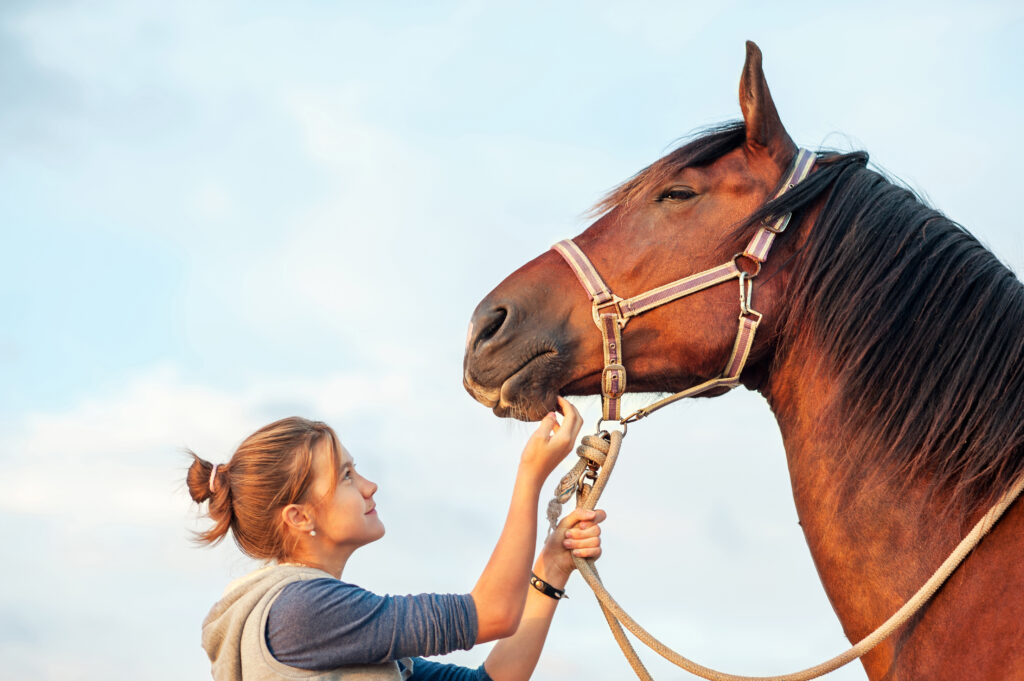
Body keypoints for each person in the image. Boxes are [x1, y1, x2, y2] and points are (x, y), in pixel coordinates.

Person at [186, 396, 604, 681]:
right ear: (299, 516)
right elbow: (492, 613)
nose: (369, 486)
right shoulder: (303, 612)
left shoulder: (319, 618)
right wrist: (530, 476)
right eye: (346, 476)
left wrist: (551, 567)